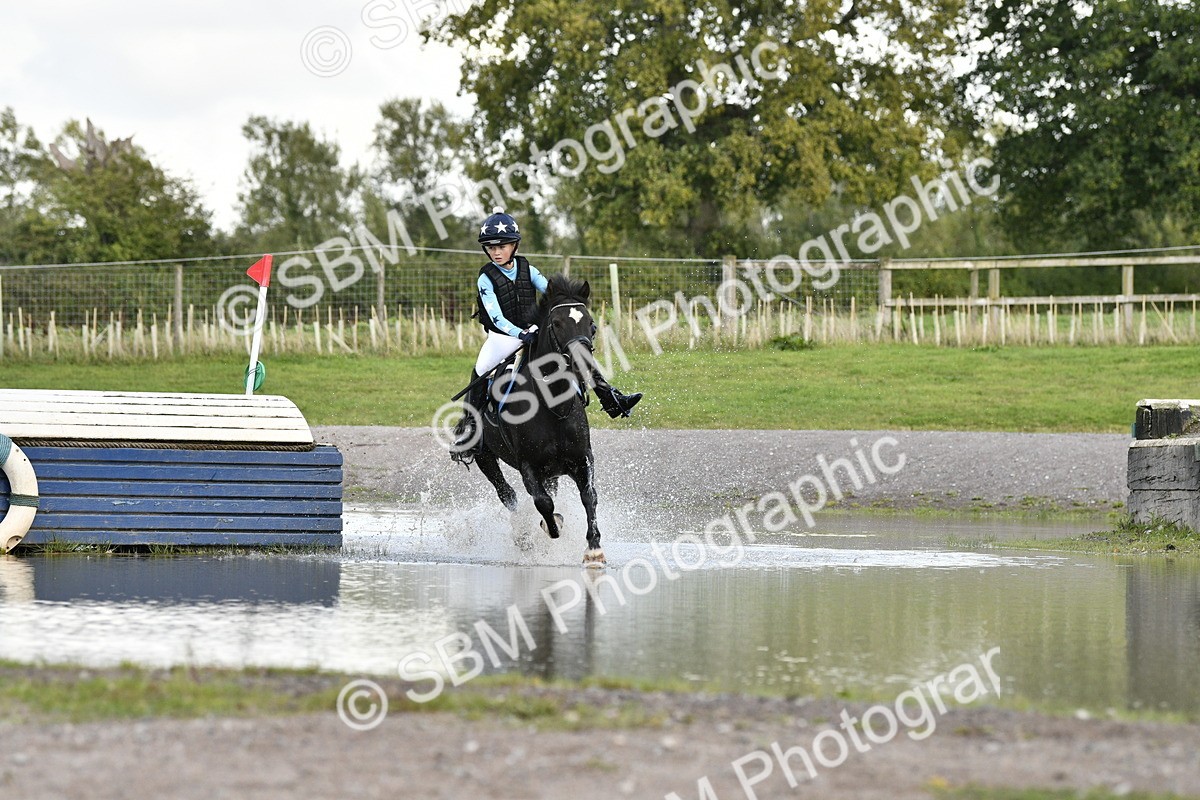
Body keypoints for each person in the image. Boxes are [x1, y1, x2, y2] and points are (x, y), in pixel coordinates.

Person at [452, 210, 642, 459]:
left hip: (533, 330)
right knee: (480, 369)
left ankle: (611, 399)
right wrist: (520, 334)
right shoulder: (486, 278)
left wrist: (566, 303)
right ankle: (471, 430)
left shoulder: (527, 268)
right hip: (503, 337)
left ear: (515, 245)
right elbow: (496, 316)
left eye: (502, 246)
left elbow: (550, 290)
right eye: (490, 247)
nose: (496, 252)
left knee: (576, 351)